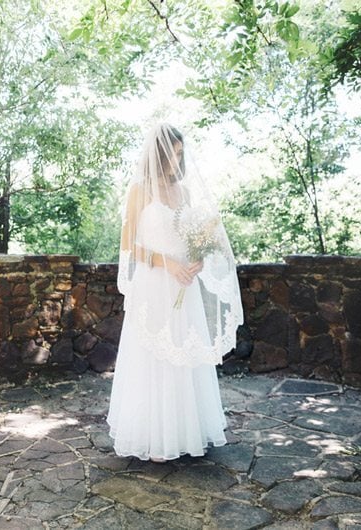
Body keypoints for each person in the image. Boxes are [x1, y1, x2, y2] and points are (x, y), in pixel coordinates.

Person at [106, 123, 243, 462]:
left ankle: (185, 432)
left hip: (184, 284)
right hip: (154, 284)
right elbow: (127, 245)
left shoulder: (184, 191)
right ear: (158, 152)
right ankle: (154, 437)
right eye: (173, 152)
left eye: (181, 153)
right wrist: (165, 263)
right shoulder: (139, 190)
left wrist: (195, 260)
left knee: (184, 356)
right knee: (154, 358)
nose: (177, 159)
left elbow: (190, 235)